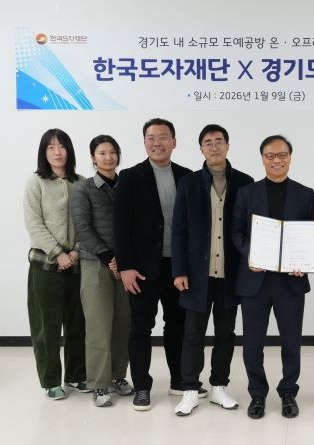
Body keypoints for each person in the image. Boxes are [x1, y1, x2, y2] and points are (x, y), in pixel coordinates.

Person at [171, 125, 254, 416]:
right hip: (197, 274)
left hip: (230, 273)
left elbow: (249, 229)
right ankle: (190, 389)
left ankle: (219, 386)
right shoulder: (189, 183)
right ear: (201, 149)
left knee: (225, 333)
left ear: (228, 146)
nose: (214, 147)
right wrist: (179, 270)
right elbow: (179, 229)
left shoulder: (244, 182)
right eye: (208, 143)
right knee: (192, 334)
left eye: (219, 141)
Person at [232, 135, 314, 419]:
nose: (276, 160)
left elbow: (309, 234)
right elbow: (237, 232)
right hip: (255, 280)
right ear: (262, 159)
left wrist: (303, 261)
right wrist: (252, 254)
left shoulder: (305, 194)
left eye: (282, 155)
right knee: (253, 344)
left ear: (290, 157)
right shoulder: (247, 193)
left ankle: (288, 392)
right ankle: (257, 394)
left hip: (290, 281)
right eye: (270, 155)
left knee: (291, 343)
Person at [113, 118, 192, 411]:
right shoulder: (130, 177)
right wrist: (125, 267)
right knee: (140, 329)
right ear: (144, 142)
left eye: (163, 137)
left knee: (177, 326)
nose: (157, 143)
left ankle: (178, 380)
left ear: (174, 142)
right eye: (151, 138)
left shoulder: (187, 176)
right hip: (142, 270)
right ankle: (142, 387)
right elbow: (121, 226)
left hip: (178, 267)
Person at [23, 128, 87, 400]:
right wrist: (58, 253)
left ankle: (77, 375)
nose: (57, 152)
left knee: (78, 323)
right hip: (45, 266)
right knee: (46, 326)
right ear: (44, 152)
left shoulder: (81, 183)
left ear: (69, 150)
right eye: (51, 147)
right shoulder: (36, 182)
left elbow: (87, 223)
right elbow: (34, 223)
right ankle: (51, 380)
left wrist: (76, 252)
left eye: (62, 146)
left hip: (78, 265)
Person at [71, 135, 133, 407]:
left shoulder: (127, 185)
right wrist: (108, 257)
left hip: (126, 266)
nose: (108, 157)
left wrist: (124, 259)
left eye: (112, 152)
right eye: (102, 153)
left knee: (123, 324)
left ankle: (118, 376)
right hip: (96, 264)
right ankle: (99, 384)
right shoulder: (84, 189)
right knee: (98, 327)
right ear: (93, 158)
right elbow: (83, 227)